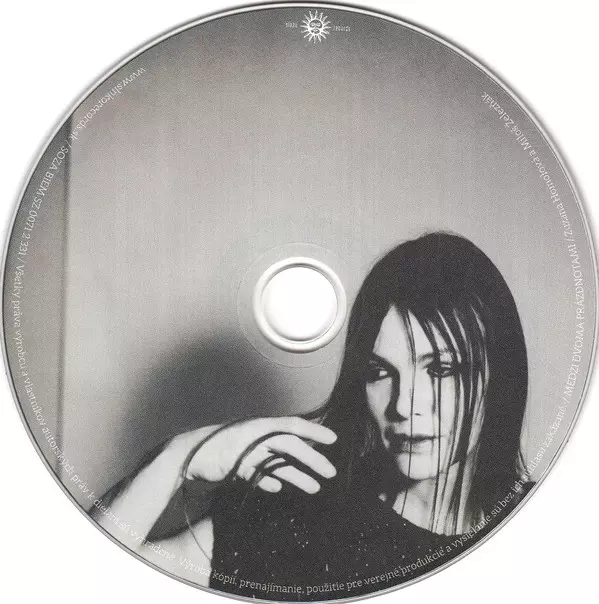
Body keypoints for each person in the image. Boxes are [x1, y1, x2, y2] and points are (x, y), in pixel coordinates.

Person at [91, 232, 531, 600]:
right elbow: (86, 580)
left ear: (502, 374)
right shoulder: (303, 516)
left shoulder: (551, 530)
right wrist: (177, 459)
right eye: (379, 372)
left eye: (442, 369)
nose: (402, 406)